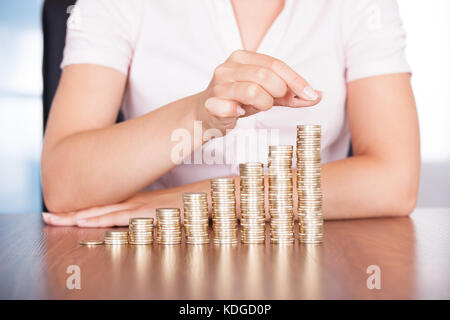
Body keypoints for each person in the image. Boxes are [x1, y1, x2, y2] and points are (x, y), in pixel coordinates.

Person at [41, 0, 420, 227]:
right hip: (160, 251)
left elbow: (393, 181)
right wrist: (199, 116)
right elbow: (64, 183)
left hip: (309, 243)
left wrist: (192, 201)